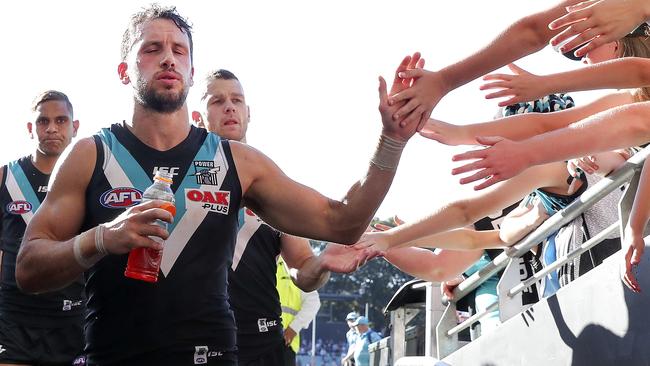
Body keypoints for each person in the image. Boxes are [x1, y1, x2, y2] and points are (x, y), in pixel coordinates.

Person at [15, 5, 421, 365]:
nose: (168, 59)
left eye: (179, 50)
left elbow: (343, 221)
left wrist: (392, 141)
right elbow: (28, 267)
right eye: (151, 49)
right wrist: (101, 239)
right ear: (124, 70)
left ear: (191, 72)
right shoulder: (90, 155)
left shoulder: (236, 161)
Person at [192, 69, 378, 366]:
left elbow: (303, 269)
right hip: (193, 344)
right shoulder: (178, 182)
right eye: (217, 101)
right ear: (197, 116)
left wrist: (321, 263)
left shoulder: (271, 186)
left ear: (248, 113)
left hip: (263, 348)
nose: (229, 107)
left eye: (237, 100)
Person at [0, 90, 84, 365]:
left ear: (75, 127)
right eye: (42, 121)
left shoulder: (90, 179)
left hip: (74, 321)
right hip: (14, 321)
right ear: (30, 128)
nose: (51, 128)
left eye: (61, 121)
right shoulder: (6, 176)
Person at [276, 257, 320, 366]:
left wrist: (293, 328)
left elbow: (313, 302)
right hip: (256, 338)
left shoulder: (295, 266)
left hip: (283, 342)